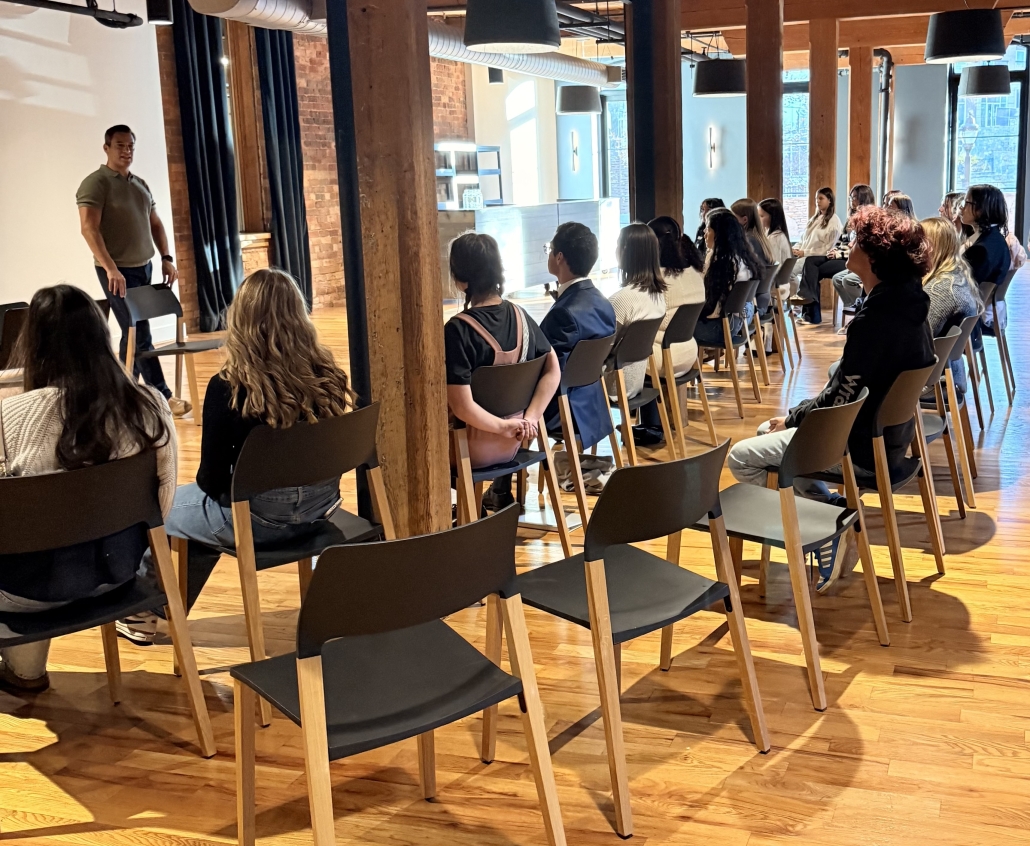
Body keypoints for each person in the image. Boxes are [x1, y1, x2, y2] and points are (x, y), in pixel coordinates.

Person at [117, 269, 355, 644]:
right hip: (320, 511)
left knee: (157, 508)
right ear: (299, 315)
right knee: (197, 522)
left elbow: (210, 482)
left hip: (258, 522)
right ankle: (160, 609)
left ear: (240, 317)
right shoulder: (326, 374)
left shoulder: (228, 387)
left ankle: (144, 611)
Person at [728, 207, 935, 590]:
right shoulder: (911, 304)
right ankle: (831, 516)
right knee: (771, 434)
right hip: (890, 440)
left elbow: (841, 398)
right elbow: (845, 387)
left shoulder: (876, 321)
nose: (849, 247)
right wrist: (797, 416)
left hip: (858, 447)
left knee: (742, 455)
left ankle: (817, 531)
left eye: (857, 242)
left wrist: (791, 419)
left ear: (873, 257)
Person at [0, 285, 175, 690]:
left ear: (35, 343)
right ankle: (25, 670)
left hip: (29, 593)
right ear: (102, 336)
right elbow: (160, 512)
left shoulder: (9, 419)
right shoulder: (150, 405)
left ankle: (26, 671)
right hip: (117, 575)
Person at [77, 125, 188, 417]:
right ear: (106, 148)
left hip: (144, 267)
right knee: (138, 331)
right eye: (120, 146)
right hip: (116, 271)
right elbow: (88, 229)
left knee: (134, 331)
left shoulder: (140, 184)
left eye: (130, 147)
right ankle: (162, 396)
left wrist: (166, 257)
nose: (126, 152)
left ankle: (124, 396)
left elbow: (156, 224)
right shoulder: (96, 183)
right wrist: (111, 268)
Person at [444, 233, 560, 512]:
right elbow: (553, 369)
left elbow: (461, 406)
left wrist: (500, 426)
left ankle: (462, 516)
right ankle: (480, 507)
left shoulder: (458, 329)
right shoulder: (521, 316)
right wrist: (529, 418)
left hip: (468, 449)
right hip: (516, 443)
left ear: (461, 280)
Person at [635, 216, 706, 438]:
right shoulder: (694, 271)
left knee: (627, 352)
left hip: (665, 358)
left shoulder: (658, 279)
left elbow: (647, 322)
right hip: (689, 352)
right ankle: (650, 424)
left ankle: (651, 427)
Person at [606, 224, 668, 411]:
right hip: (636, 380)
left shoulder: (621, 300)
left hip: (612, 384)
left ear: (626, 251)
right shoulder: (657, 294)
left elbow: (601, 350)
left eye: (618, 244)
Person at [921, 217, 983, 398]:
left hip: (931, 383)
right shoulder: (957, 276)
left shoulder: (940, 290)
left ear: (930, 247)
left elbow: (920, 340)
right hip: (948, 376)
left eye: (917, 242)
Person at [693, 209, 763, 349]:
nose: (704, 234)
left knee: (674, 331)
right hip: (743, 319)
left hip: (724, 328)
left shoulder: (723, 262)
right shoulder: (742, 256)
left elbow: (709, 304)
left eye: (708, 229)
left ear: (719, 234)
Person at [961, 184, 1012, 339]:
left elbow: (960, 288)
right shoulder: (996, 240)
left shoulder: (982, 250)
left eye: (966, 203)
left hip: (965, 323)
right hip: (973, 316)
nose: (961, 209)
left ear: (980, 209)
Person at [793, 187, 844, 324]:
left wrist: (805, 252)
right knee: (803, 270)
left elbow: (828, 248)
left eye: (821, 198)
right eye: (816, 198)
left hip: (821, 257)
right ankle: (808, 313)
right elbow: (803, 239)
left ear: (830, 200)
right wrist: (796, 249)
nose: (817, 201)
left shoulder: (834, 221)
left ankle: (796, 305)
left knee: (790, 272)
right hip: (805, 256)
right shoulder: (814, 219)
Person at [830, 184, 879, 320]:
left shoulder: (870, 218)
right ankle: (854, 309)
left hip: (865, 262)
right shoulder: (850, 218)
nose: (852, 200)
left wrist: (839, 254)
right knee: (837, 278)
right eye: (850, 197)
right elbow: (844, 241)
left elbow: (862, 246)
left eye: (855, 197)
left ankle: (861, 310)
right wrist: (836, 250)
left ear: (863, 198)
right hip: (849, 256)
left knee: (847, 280)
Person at [759, 198, 793, 265]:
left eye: (761, 216)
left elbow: (775, 265)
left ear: (772, 217)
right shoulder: (770, 233)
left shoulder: (775, 237)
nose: (758, 219)